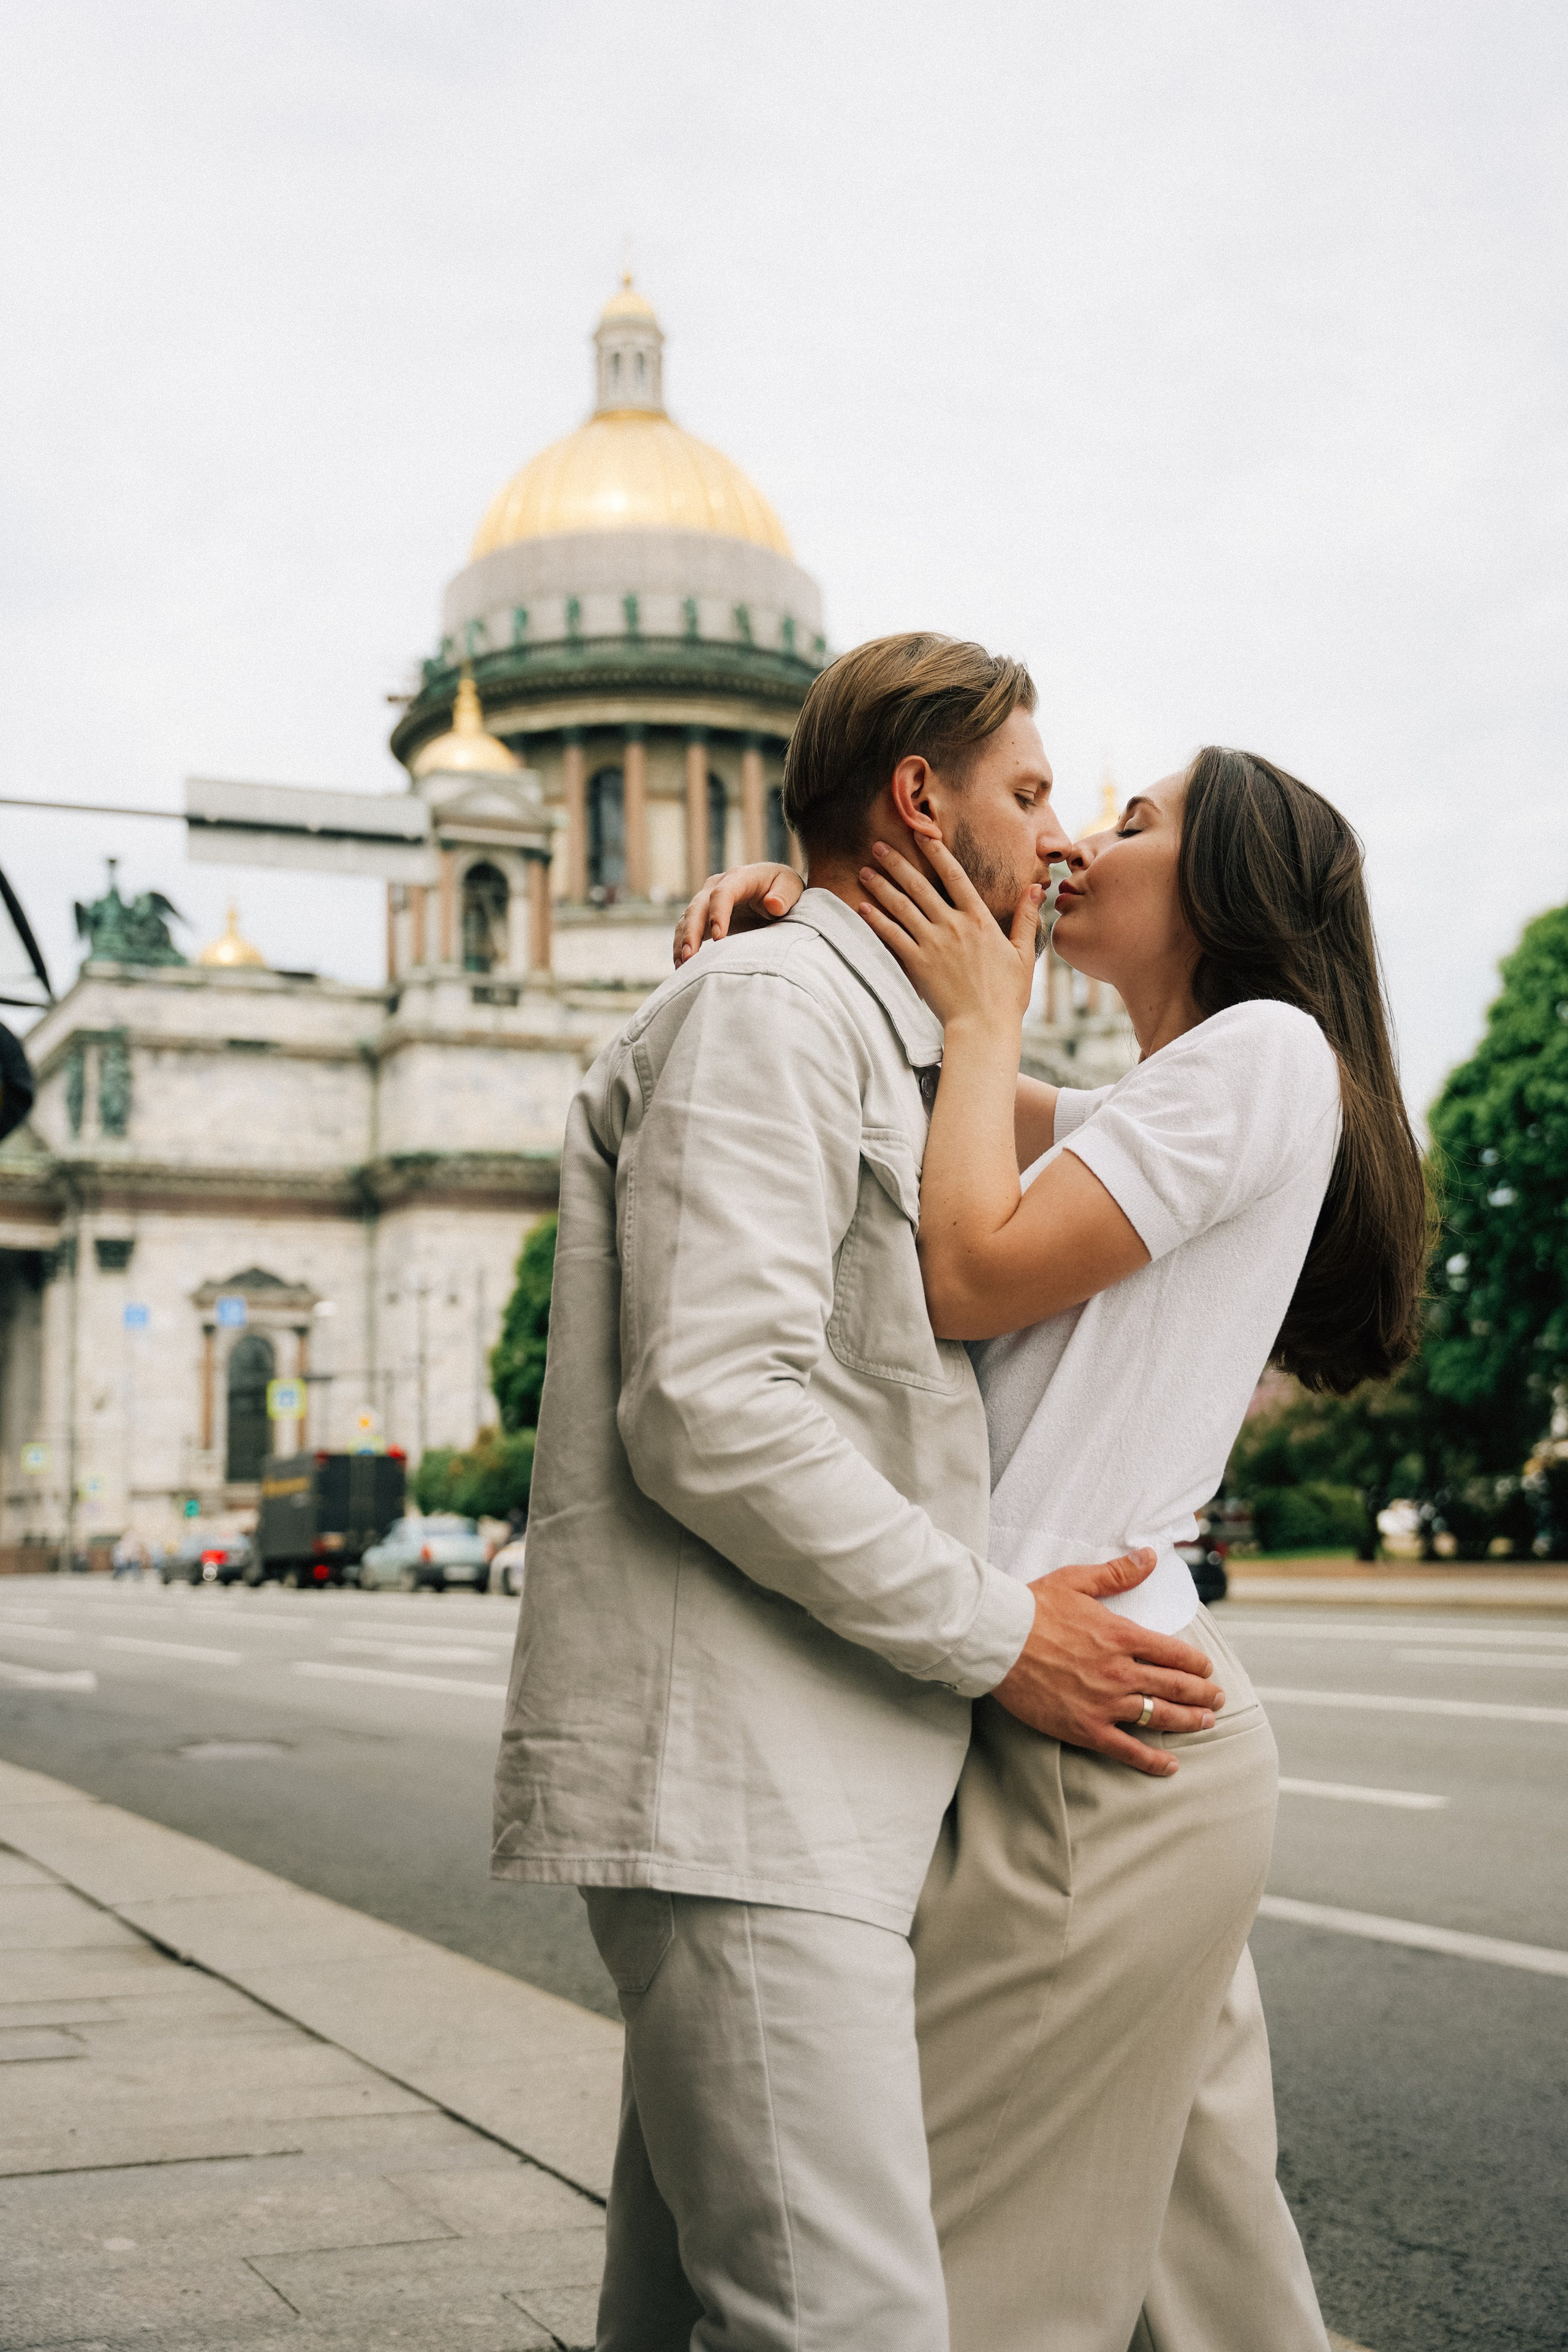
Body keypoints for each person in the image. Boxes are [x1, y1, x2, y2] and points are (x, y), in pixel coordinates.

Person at [492, 634, 1227, 2352]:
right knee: (852, 2320)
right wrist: (1001, 1638)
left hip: (815, 1768)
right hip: (750, 1778)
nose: (1057, 841)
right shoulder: (770, 1011)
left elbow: (1159, 1153)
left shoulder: (881, 1039)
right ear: (919, 800)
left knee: (693, 2314)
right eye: (1029, 795)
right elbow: (711, 1408)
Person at [677, 745, 1428, 2350]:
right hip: (1120, 1719)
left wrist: (973, 1010)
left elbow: (969, 1269)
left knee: (962, 2276)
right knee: (1216, 2286)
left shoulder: (1267, 1051)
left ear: (1228, 888)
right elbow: (922, 1085)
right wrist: (816, 925)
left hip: (1092, 1749)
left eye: (1136, 821)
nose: (1081, 840)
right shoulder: (1156, 1100)